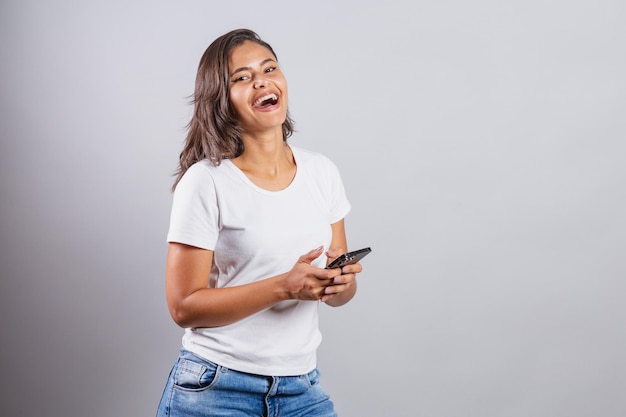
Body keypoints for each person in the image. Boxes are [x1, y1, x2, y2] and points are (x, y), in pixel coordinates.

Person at [156, 28, 363, 417]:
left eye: (269, 68)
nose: (262, 80)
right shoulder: (206, 181)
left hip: (301, 387)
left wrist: (340, 283)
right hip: (217, 388)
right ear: (222, 100)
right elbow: (183, 306)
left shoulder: (322, 172)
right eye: (242, 77)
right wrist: (283, 287)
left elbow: (339, 296)